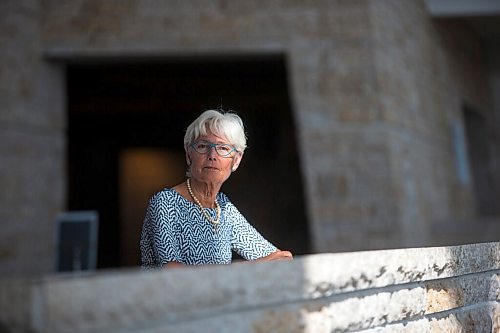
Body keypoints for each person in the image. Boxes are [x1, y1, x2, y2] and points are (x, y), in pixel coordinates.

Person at [140, 109, 293, 269]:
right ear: (188, 154)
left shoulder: (224, 209)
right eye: (202, 146)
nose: (212, 155)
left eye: (223, 148)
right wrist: (238, 268)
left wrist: (238, 269)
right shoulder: (165, 203)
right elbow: (173, 272)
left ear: (236, 160)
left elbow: (282, 259)